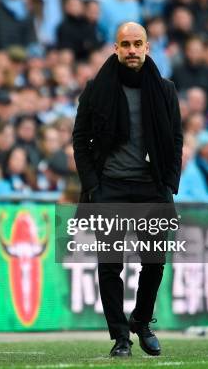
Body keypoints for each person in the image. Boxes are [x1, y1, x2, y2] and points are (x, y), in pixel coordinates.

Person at [72, 22, 182, 358]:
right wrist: (93, 184)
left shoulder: (165, 90)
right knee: (110, 265)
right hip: (110, 188)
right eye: (125, 44)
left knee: (155, 262)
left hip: (152, 188)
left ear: (147, 47)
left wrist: (168, 185)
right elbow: (79, 139)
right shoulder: (96, 89)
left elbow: (176, 140)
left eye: (138, 44)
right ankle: (121, 336)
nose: (132, 50)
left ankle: (142, 321)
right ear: (116, 48)